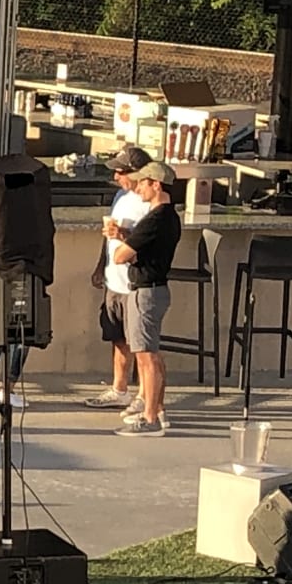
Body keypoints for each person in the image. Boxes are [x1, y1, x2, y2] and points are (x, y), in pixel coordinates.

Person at [102, 161, 180, 437]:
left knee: (146, 357)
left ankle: (150, 418)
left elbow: (120, 256)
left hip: (145, 291)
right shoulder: (169, 217)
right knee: (152, 354)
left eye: (143, 183)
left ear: (156, 185)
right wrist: (127, 237)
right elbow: (146, 247)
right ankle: (156, 409)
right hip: (155, 288)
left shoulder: (154, 219)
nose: (139, 187)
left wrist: (124, 246)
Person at [75, 145, 153, 418]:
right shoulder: (120, 195)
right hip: (114, 279)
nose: (117, 176)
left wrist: (123, 233)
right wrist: (101, 265)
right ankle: (119, 389)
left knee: (141, 343)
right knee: (117, 336)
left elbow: (149, 239)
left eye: (121, 171)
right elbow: (108, 237)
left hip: (135, 282)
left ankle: (145, 396)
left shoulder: (149, 201)